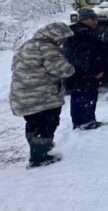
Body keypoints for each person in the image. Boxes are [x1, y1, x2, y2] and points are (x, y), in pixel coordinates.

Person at [9, 22, 75, 168]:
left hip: (23, 95)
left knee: (33, 124)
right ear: (55, 35)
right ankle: (39, 158)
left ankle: (37, 151)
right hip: (42, 96)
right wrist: (72, 67)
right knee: (46, 125)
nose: (63, 42)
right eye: (63, 38)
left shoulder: (27, 45)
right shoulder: (47, 48)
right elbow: (63, 70)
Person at [64, 8, 107, 129]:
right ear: (84, 19)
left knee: (77, 96)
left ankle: (77, 121)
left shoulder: (72, 32)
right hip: (86, 74)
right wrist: (96, 71)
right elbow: (87, 56)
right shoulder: (85, 34)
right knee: (88, 96)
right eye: (93, 19)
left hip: (75, 73)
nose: (96, 22)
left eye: (96, 19)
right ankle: (87, 121)